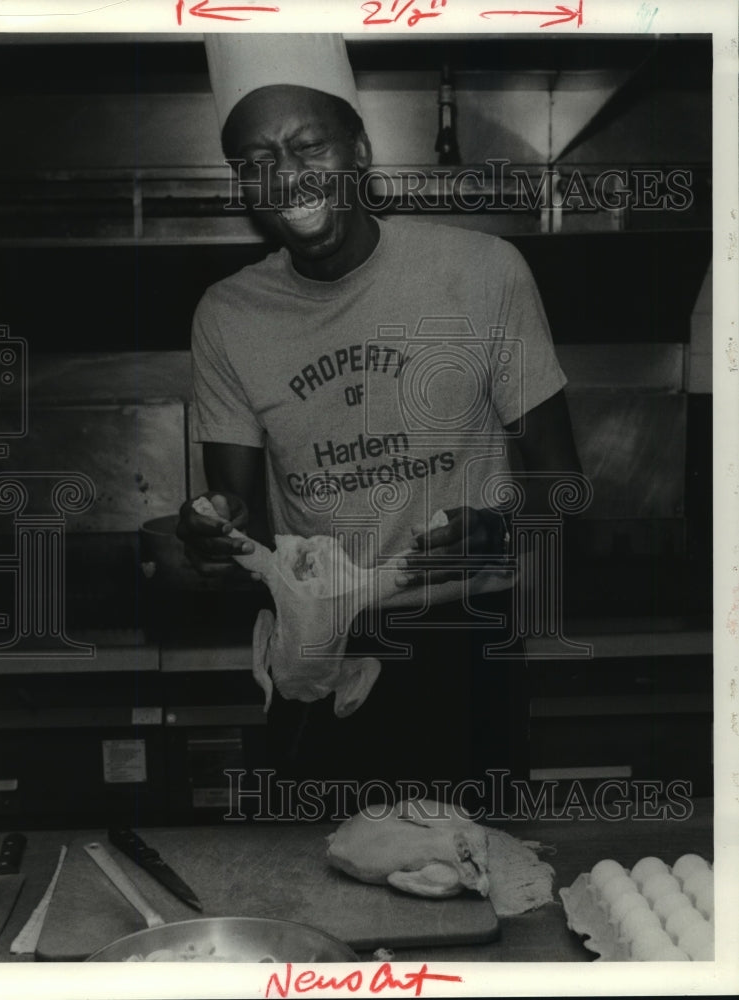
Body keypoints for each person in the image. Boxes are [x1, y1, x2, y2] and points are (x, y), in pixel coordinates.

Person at [178, 34, 581, 814]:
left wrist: (502, 530)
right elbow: (236, 516)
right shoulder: (227, 314)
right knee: (311, 887)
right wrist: (207, 532)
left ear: (358, 150)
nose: (284, 175)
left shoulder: (482, 273)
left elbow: (564, 488)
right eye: (253, 158)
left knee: (476, 877)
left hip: (467, 642)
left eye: (307, 146)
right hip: (316, 649)